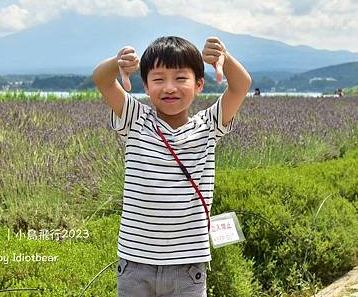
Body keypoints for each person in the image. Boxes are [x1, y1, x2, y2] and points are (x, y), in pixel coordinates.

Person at [92, 35, 251, 297]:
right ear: (145, 85)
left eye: (180, 78)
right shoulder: (135, 119)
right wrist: (117, 62)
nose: (169, 87)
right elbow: (102, 79)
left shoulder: (208, 126)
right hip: (135, 261)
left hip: (187, 266)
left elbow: (241, 85)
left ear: (199, 84)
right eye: (158, 79)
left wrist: (224, 56)